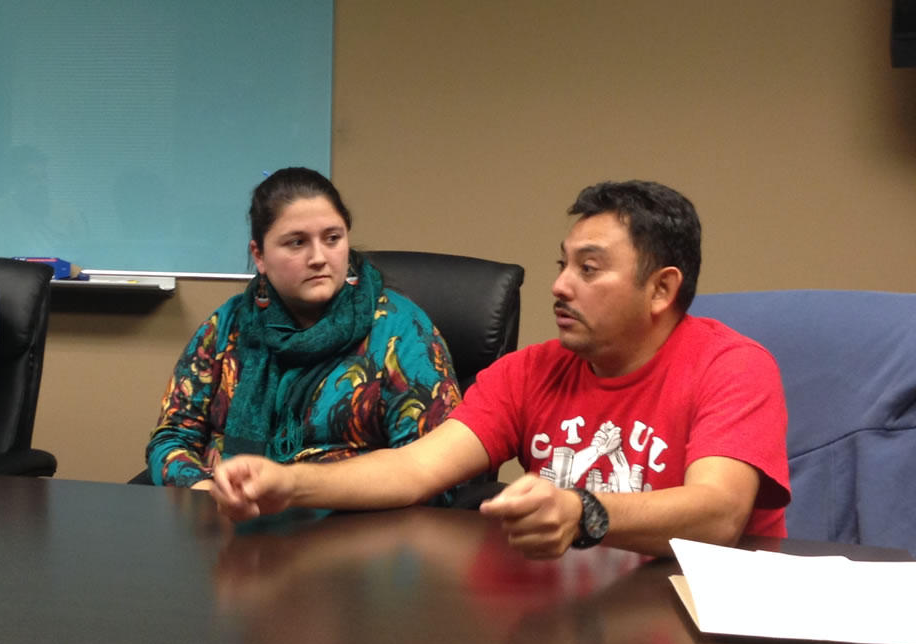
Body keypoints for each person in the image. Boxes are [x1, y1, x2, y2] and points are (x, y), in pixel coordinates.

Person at [211, 180, 791, 558]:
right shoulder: (529, 372)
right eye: (562, 264)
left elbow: (720, 514)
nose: (560, 286)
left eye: (589, 270)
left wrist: (584, 512)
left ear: (662, 288)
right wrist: (290, 483)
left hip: (700, 617)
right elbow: (413, 470)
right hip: (577, 617)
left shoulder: (732, 367)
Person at [146, 167, 461, 492]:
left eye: (332, 238)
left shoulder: (399, 330)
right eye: (297, 243)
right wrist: (209, 492)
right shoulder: (228, 325)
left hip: (355, 527)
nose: (319, 258)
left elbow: (436, 467)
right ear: (260, 255)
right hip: (227, 522)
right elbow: (171, 438)